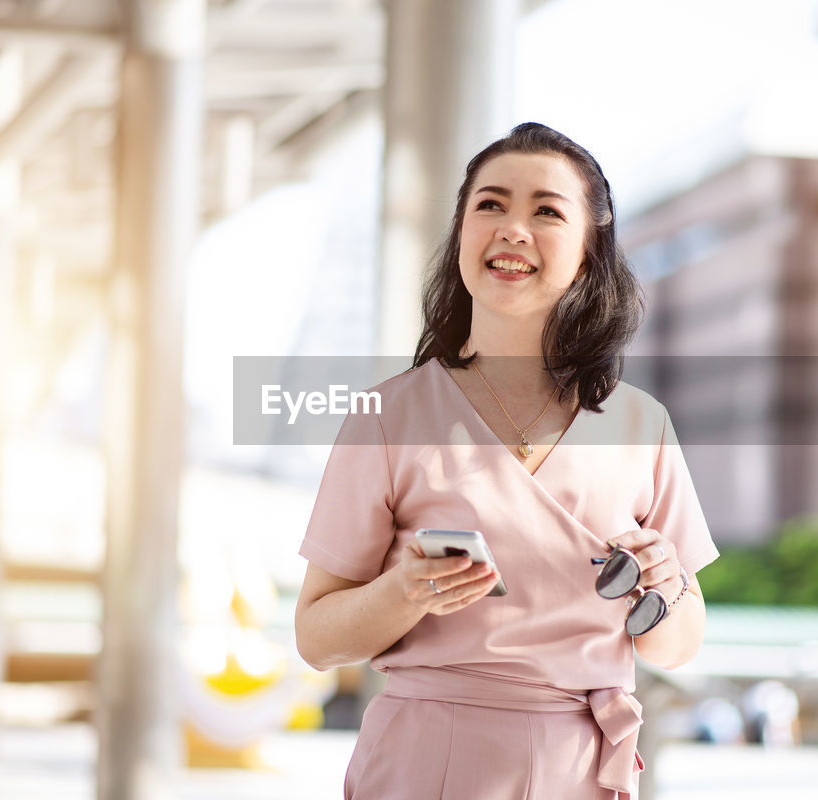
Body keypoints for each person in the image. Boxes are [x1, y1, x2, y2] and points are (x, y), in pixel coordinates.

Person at [294, 122, 718, 799]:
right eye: (489, 205)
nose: (513, 228)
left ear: (588, 251)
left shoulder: (642, 425)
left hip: (580, 769)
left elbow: (678, 645)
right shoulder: (388, 417)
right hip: (422, 764)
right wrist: (403, 592)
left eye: (546, 211)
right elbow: (316, 637)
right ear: (461, 234)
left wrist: (666, 589)